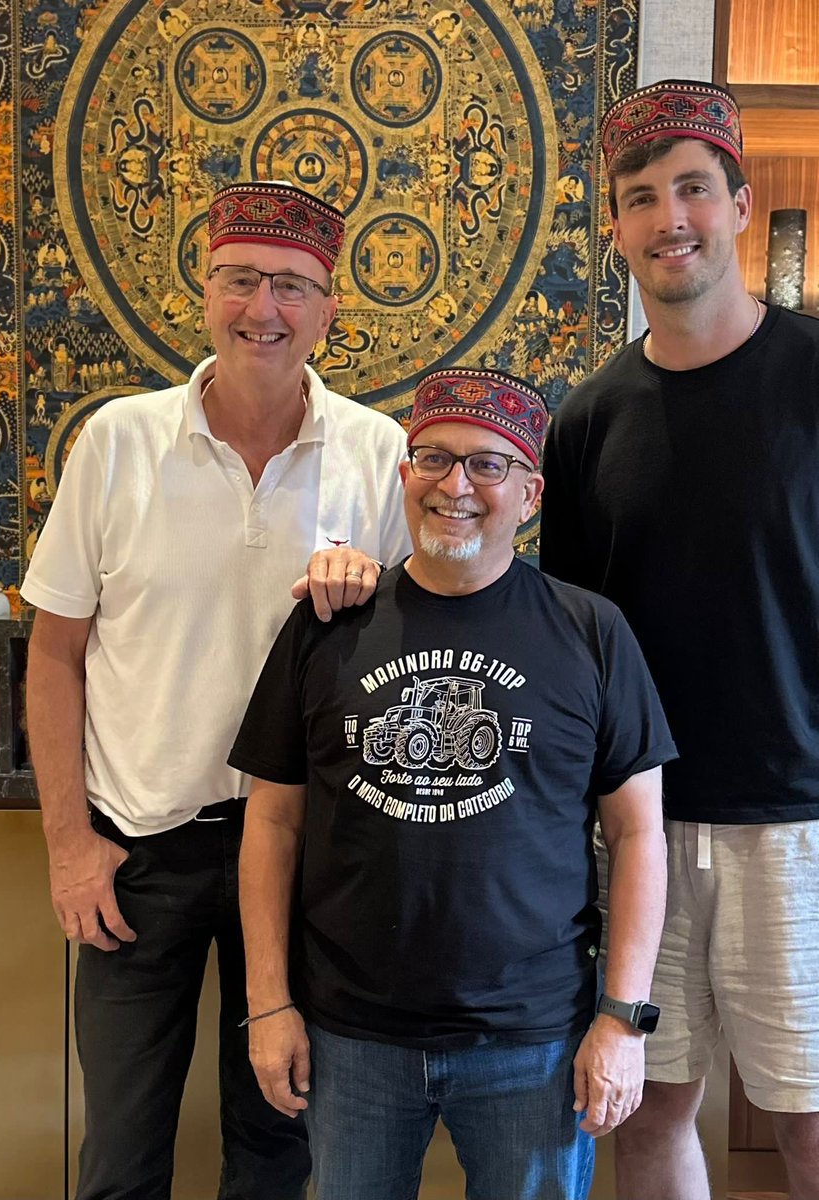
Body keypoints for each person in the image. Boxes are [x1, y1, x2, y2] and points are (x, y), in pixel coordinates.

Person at [22, 180, 411, 1200]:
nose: (263, 309)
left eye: (291, 286)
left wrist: (378, 597)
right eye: (240, 279)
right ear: (204, 292)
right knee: (122, 1149)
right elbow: (54, 653)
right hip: (137, 848)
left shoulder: (382, 456)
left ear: (331, 312)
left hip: (305, 852)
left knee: (280, 1142)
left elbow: (428, 649)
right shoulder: (116, 441)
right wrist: (70, 847)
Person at [229, 368, 675, 1200]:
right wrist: (268, 1005)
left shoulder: (591, 632)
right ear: (403, 474)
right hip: (349, 1033)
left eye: (486, 465)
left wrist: (621, 1020)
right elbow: (273, 823)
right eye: (432, 459)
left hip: (533, 1038)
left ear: (529, 492)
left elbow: (639, 834)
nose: (455, 486)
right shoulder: (329, 623)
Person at [538, 79, 819, 1200]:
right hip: (638, 828)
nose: (671, 219)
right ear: (615, 229)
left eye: (694, 188)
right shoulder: (586, 421)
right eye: (641, 197)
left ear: (742, 204)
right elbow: (568, 650)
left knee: (808, 1119)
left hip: (799, 824)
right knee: (648, 1110)